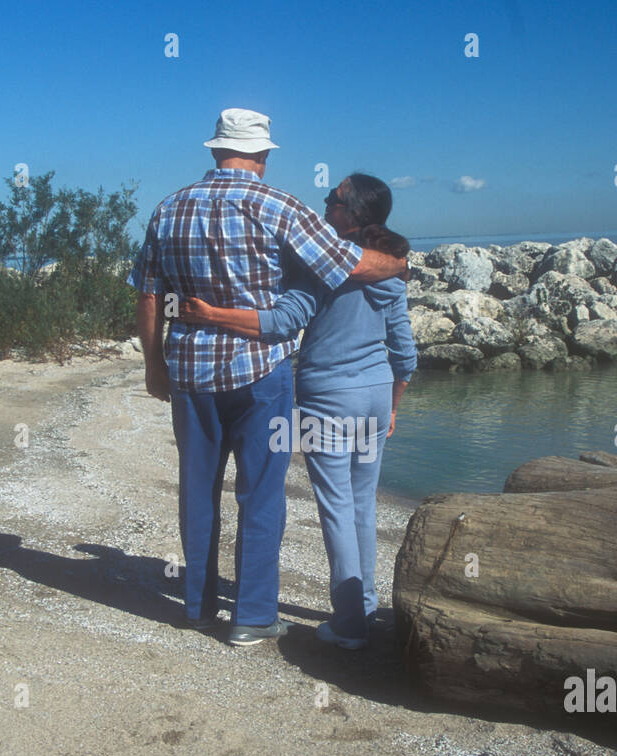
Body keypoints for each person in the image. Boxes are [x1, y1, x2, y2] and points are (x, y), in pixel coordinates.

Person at [127, 109, 408, 646]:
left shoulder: (168, 208)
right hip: (261, 373)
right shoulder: (279, 206)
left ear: (215, 150)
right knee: (260, 494)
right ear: (263, 154)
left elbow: (147, 292)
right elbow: (349, 264)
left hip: (189, 371)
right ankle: (253, 618)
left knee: (197, 489)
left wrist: (153, 363)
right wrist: (398, 263)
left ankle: (197, 607)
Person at [178, 173, 417, 649]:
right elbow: (405, 352)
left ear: (352, 215)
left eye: (332, 201)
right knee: (363, 505)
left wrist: (210, 316)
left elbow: (284, 321)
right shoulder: (392, 270)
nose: (324, 207)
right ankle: (364, 606)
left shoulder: (320, 266)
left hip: (327, 396)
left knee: (336, 507)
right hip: (375, 393)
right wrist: (393, 404)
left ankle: (350, 624)